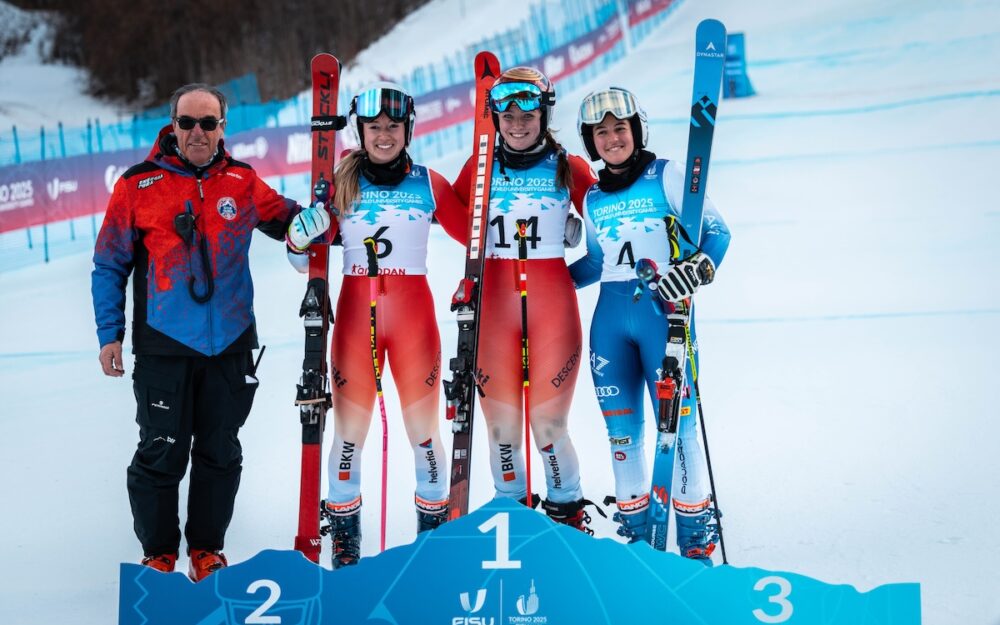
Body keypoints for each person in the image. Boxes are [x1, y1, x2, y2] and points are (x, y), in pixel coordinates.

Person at [92, 83, 330, 581]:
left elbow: (292, 223)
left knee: (220, 450)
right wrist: (109, 333)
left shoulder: (242, 181)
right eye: (187, 123)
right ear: (172, 126)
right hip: (163, 345)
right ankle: (158, 555)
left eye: (208, 122)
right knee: (160, 449)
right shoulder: (137, 185)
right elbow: (109, 264)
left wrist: (316, 220)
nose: (197, 132)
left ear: (223, 127)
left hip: (232, 343)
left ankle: (206, 550)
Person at [289, 82, 467, 569]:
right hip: (353, 321)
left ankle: (430, 549)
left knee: (426, 437)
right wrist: (295, 240)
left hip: (414, 324)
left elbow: (474, 236)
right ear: (360, 132)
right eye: (374, 128)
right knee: (347, 438)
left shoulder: (428, 183)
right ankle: (347, 552)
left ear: (407, 130)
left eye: (392, 127)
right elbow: (305, 259)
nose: (384, 136)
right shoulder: (339, 184)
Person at [568, 87, 731, 561]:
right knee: (623, 437)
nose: (613, 139)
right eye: (602, 133)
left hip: (665, 316)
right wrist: (550, 283)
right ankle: (639, 540)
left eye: (620, 128)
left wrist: (698, 268)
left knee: (678, 432)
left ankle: (695, 542)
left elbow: (718, 232)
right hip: (610, 323)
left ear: (636, 131)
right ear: (590, 143)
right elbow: (597, 262)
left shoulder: (667, 175)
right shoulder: (594, 197)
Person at [451, 67, 600, 531]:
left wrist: (567, 270)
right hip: (493, 308)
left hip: (552, 307)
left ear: (544, 113)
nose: (517, 124)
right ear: (494, 116)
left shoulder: (568, 167)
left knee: (549, 428)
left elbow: (607, 227)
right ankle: (510, 514)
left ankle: (567, 512)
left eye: (528, 114)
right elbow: (451, 220)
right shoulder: (479, 167)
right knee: (501, 432)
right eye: (507, 114)